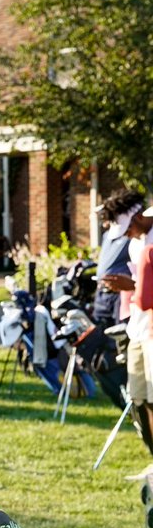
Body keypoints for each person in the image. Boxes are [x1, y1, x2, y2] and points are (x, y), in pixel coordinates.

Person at [100, 202, 153, 480]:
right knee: (138, 398)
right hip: (138, 329)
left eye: (128, 228)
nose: (127, 234)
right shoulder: (136, 244)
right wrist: (127, 285)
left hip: (151, 330)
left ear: (139, 216)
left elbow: (145, 291)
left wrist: (131, 286)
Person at [93, 189, 141, 329]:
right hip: (103, 293)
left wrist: (133, 286)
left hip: (120, 295)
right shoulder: (108, 236)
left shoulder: (133, 237)